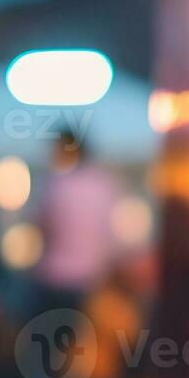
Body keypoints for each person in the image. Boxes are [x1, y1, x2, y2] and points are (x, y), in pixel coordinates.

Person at [33, 131, 120, 315]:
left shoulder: (54, 184)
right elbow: (111, 237)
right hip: (93, 282)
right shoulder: (104, 184)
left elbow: (42, 228)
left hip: (55, 280)